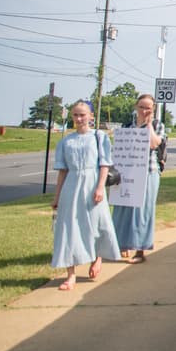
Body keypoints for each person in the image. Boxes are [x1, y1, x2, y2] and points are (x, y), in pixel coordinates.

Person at [50, 101, 121, 290]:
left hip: (92, 183)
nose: (79, 119)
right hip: (71, 185)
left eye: (82, 115)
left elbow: (104, 164)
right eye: (75, 115)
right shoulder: (66, 141)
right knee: (68, 228)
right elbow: (62, 171)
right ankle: (70, 275)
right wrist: (57, 197)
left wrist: (99, 188)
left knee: (96, 224)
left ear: (91, 116)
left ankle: (97, 258)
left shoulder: (99, 137)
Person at [111, 93, 167, 264]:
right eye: (141, 107)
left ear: (153, 109)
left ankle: (140, 250)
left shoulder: (157, 125)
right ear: (136, 107)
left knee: (143, 212)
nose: (144, 111)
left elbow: (154, 143)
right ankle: (122, 244)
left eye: (148, 108)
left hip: (148, 172)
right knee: (123, 209)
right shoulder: (127, 126)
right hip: (127, 173)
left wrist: (148, 124)